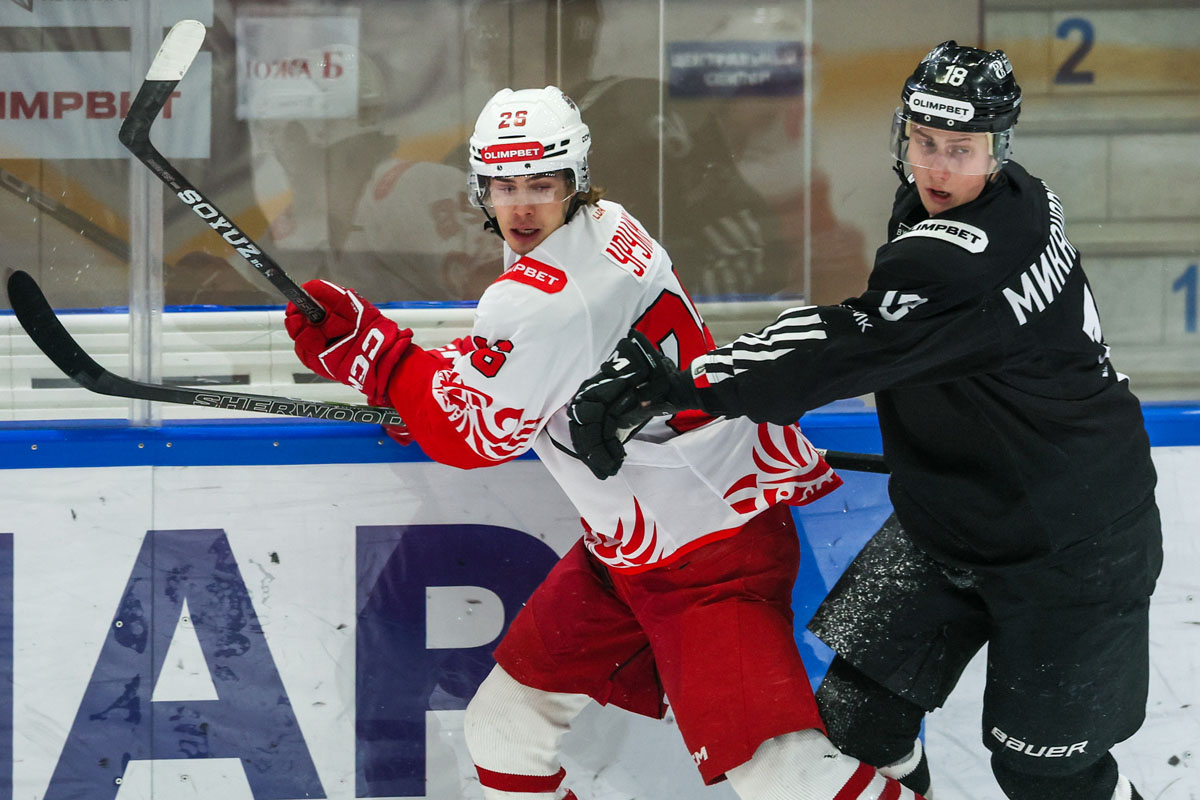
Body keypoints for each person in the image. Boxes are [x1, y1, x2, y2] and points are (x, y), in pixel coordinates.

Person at [283, 86, 925, 800]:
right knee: (506, 730)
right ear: (480, 189)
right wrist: (441, 389)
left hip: (709, 555)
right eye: (504, 186)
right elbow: (537, 367)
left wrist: (381, 361)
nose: (522, 207)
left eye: (541, 184)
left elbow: (473, 438)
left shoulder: (543, 294)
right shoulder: (609, 226)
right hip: (636, 550)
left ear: (574, 180)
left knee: (782, 774)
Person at [568, 42, 1161, 800]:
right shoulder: (1008, 197)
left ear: (998, 148)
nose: (936, 167)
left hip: (1074, 543)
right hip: (950, 515)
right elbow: (902, 340)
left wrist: (687, 382)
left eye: (960, 149)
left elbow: (845, 346)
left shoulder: (965, 260)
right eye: (923, 141)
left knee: (1045, 772)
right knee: (857, 726)